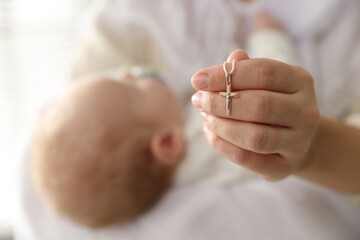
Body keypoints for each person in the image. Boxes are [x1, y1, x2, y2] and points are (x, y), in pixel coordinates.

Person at [15, 0, 360, 239]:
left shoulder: (145, 140)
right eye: (132, 85)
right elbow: (277, 94)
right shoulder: (208, 133)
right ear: (167, 143)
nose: (131, 71)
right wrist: (268, 36)